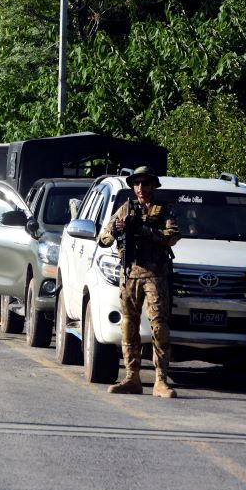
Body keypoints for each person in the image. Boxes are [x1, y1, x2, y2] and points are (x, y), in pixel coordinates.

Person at [97, 166, 182, 398]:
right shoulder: (125, 208)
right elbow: (102, 239)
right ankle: (131, 377)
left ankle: (160, 380)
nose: (140, 188)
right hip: (129, 274)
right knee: (128, 326)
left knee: (159, 326)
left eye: (145, 184)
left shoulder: (163, 209)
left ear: (153, 185)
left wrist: (143, 230)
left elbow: (172, 236)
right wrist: (115, 230)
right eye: (137, 184)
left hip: (155, 275)